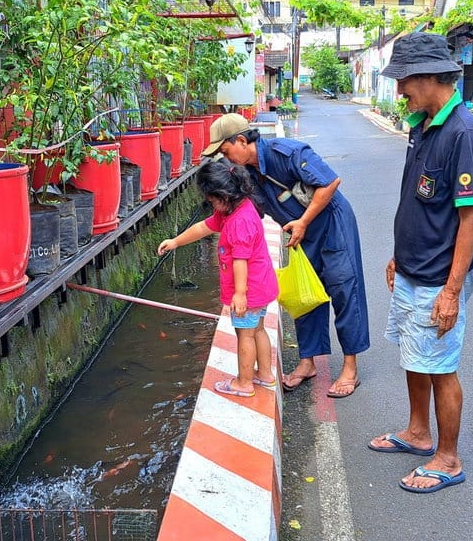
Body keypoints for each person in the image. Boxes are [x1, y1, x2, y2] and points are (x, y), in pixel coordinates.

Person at [367, 32, 473, 494]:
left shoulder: (463, 131)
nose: (399, 91)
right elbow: (418, 200)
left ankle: (448, 457)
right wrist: (400, 254)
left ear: (429, 76)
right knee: (415, 356)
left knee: (440, 366)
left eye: (405, 81)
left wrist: (451, 291)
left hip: (440, 277)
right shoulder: (423, 123)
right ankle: (418, 434)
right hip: (414, 268)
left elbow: (469, 215)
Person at [202, 113, 369, 398]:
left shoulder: (287, 152)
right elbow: (245, 215)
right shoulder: (246, 176)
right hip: (299, 235)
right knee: (306, 295)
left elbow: (330, 182)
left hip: (331, 224)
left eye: (225, 151)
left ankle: (350, 368)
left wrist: (303, 221)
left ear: (241, 141)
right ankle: (308, 363)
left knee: (344, 289)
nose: (225, 159)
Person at [157, 160, 279, 397]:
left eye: (212, 200)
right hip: (262, 285)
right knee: (258, 330)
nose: (210, 203)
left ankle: (244, 383)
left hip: (249, 290)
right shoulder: (239, 207)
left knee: (245, 334)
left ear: (223, 196)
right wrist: (176, 242)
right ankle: (264, 375)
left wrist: (240, 294)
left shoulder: (238, 222)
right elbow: (204, 227)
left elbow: (240, 261)